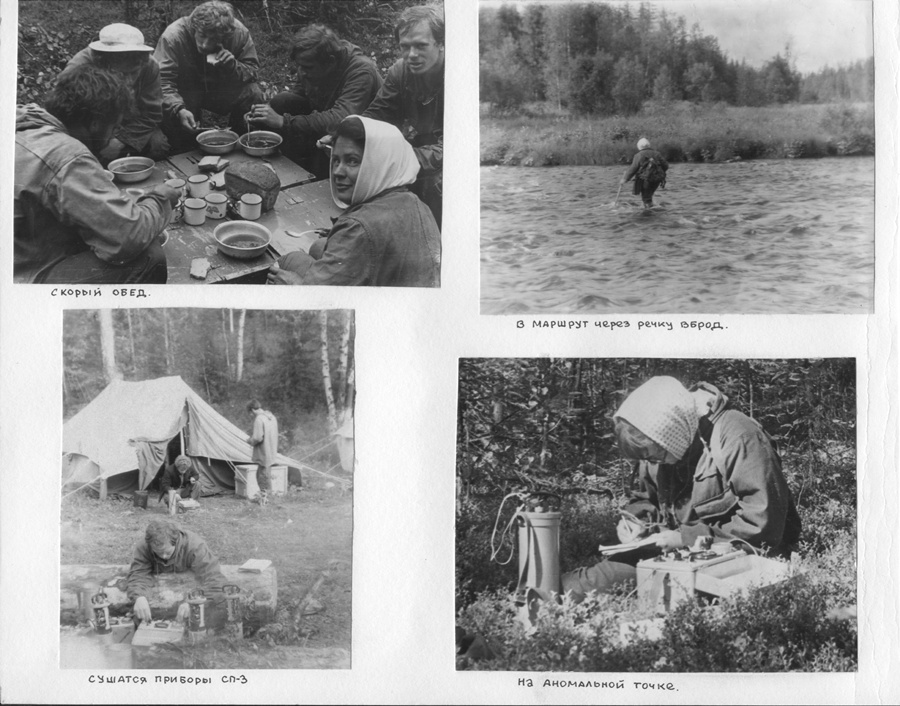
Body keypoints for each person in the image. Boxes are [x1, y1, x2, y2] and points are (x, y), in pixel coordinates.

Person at [562, 375, 802, 601]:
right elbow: (646, 499)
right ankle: (535, 594)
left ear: (671, 432)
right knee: (588, 582)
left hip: (735, 554)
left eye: (657, 455)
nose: (653, 463)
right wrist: (634, 520)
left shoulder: (738, 436)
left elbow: (763, 523)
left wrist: (686, 538)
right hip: (675, 553)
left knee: (683, 599)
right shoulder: (661, 441)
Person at [14, 65, 178, 284]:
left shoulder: (24, 121)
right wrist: (161, 198)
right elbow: (128, 236)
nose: (114, 135)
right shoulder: (65, 155)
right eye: (114, 127)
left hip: (17, 254)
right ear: (94, 122)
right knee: (148, 256)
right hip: (23, 280)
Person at [268, 116, 441, 287]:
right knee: (318, 246)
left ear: (379, 163)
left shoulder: (357, 227)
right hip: (415, 299)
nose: (337, 172)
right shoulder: (417, 202)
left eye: (352, 161)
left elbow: (320, 298)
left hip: (381, 310)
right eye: (336, 160)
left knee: (290, 260)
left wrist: (295, 285)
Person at [247, 24, 382, 177]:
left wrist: (283, 122)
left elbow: (341, 120)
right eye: (299, 66)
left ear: (330, 61)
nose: (301, 72)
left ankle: (315, 176)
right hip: (328, 123)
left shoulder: (361, 72)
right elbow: (298, 95)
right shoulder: (314, 62)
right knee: (282, 101)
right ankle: (285, 165)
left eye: (307, 67)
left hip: (361, 136)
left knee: (323, 152)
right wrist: (265, 114)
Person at [361, 5, 444, 229]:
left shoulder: (458, 76)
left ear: (442, 44)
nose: (411, 55)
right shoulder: (401, 71)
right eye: (405, 47)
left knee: (438, 184)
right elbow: (378, 115)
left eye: (421, 46)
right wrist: (350, 134)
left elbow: (453, 151)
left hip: (458, 158)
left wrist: (399, 159)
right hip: (421, 144)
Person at [154, 0, 262, 150]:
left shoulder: (239, 33)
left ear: (226, 35)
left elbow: (252, 70)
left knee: (252, 93)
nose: (204, 45)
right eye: (202, 35)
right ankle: (183, 148)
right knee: (182, 136)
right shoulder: (174, 36)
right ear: (194, 27)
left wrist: (233, 66)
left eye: (214, 39)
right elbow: (162, 81)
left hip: (220, 89)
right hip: (186, 92)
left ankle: (240, 142)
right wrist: (178, 108)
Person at [59, 23, 168, 163]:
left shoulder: (149, 65)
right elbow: (66, 117)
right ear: (104, 63)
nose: (128, 81)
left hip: (131, 124)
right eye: (122, 74)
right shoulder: (78, 68)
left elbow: (152, 114)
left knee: (158, 145)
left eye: (134, 73)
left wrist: (120, 141)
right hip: (92, 127)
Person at [126, 519, 226, 624]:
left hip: (191, 592)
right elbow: (138, 574)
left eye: (167, 552)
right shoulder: (144, 546)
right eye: (158, 552)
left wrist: (195, 601)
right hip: (159, 594)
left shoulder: (195, 546)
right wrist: (139, 597)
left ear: (176, 541)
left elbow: (215, 579)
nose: (163, 556)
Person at [620, 137, 669, 209]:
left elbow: (633, 168)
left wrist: (625, 179)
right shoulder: (657, 154)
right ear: (648, 145)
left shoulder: (639, 155)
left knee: (646, 198)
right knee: (649, 195)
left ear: (639, 146)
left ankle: (648, 214)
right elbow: (666, 166)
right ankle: (652, 210)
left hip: (646, 179)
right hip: (657, 179)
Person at [247, 400, 278, 506]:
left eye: (250, 413)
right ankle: (267, 499)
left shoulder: (259, 419)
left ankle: (264, 501)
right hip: (271, 451)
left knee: (262, 477)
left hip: (263, 452)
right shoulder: (271, 417)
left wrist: (250, 441)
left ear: (252, 410)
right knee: (266, 475)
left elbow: (257, 437)